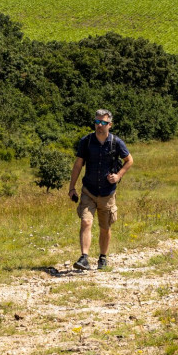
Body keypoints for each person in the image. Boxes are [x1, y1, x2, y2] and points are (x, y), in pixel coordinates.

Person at [68, 109, 133, 271]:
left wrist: (118, 176)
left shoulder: (116, 142)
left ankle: (103, 258)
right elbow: (78, 165)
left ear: (110, 125)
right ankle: (84, 258)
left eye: (103, 122)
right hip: (88, 190)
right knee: (86, 221)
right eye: (97, 122)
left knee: (105, 227)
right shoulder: (86, 141)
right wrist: (72, 187)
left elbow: (129, 160)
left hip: (107, 193)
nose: (99, 125)